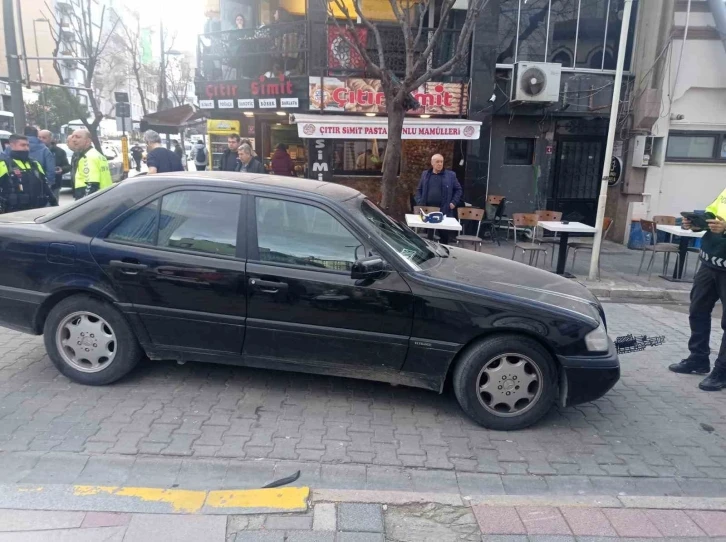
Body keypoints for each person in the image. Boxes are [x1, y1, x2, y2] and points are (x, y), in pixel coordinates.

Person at [669, 195, 726, 391]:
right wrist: (697, 224)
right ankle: (698, 358)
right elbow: (712, 214)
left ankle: (722, 370)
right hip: (710, 262)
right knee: (697, 310)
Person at [0, 134, 57, 213]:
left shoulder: (35, 164)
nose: (26, 148)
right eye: (23, 145)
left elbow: (45, 185)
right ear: (12, 145)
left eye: (27, 145)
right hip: (13, 211)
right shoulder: (4, 164)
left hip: (37, 210)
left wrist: (54, 203)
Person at [414, 153, 463, 244]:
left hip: (443, 210)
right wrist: (420, 201)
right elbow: (419, 190)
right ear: (432, 163)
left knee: (443, 236)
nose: (440, 164)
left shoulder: (450, 175)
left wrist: (453, 202)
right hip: (427, 211)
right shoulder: (425, 174)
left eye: (441, 162)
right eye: (437, 162)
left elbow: (458, 190)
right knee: (427, 238)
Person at [4, 126, 55, 190]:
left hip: (14, 190)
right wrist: (48, 184)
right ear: (37, 135)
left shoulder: (12, 147)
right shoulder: (44, 150)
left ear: (23, 133)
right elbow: (50, 170)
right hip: (36, 188)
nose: (26, 148)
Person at [71, 129, 112, 200]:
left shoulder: (87, 157)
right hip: (105, 196)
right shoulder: (97, 155)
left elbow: (91, 184)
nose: (74, 140)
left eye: (78, 137)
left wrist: (83, 203)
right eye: (73, 137)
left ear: (88, 141)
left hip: (94, 201)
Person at [39, 129, 70, 200]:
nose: (41, 140)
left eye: (44, 138)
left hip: (55, 185)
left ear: (50, 139)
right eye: (39, 137)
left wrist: (62, 169)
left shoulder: (59, 151)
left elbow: (67, 166)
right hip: (39, 185)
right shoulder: (33, 150)